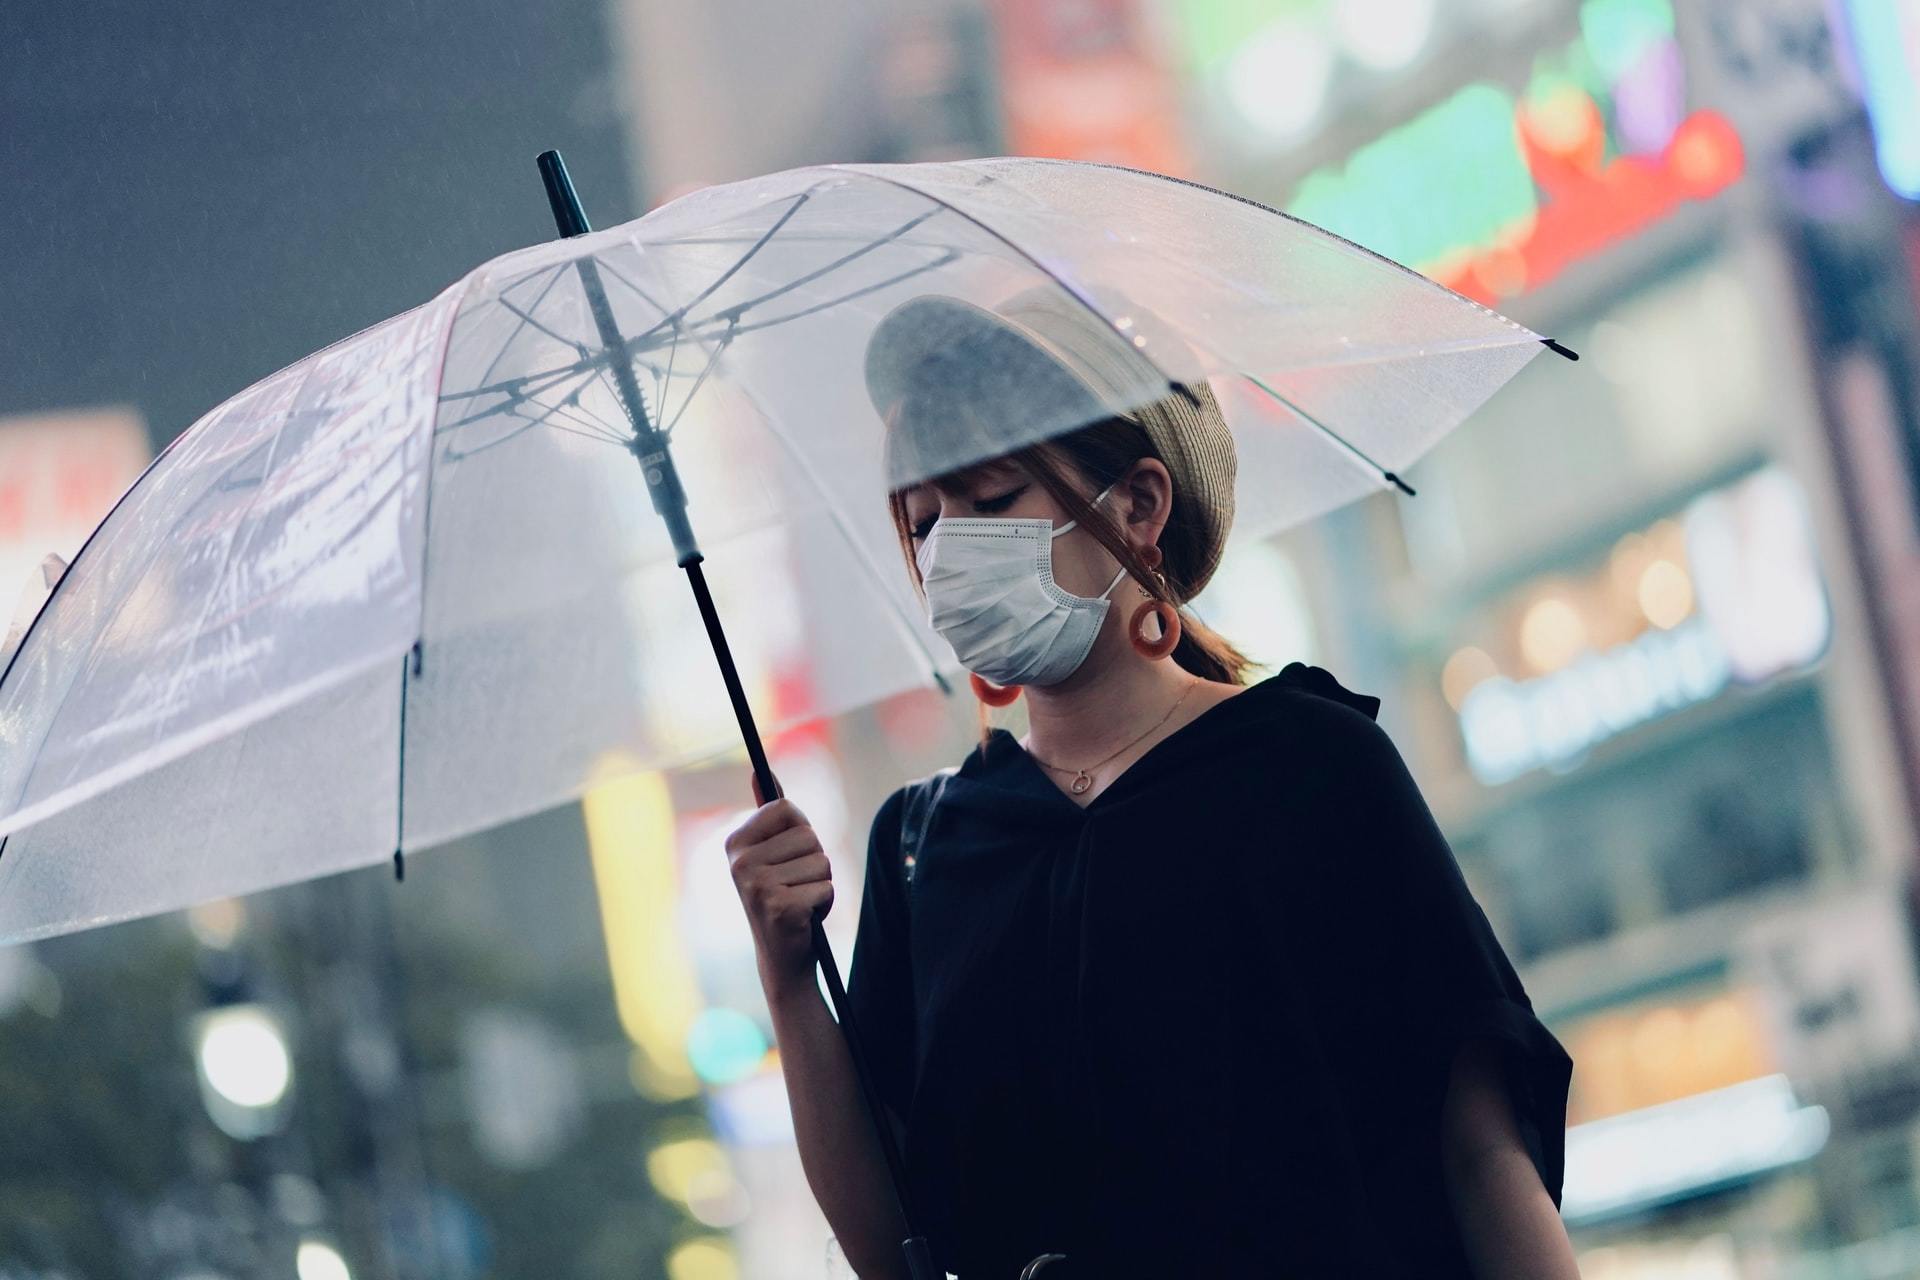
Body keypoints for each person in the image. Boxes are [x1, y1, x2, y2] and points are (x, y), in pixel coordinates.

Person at [724, 286, 1578, 1279]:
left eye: (994, 499)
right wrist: (787, 973)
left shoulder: (1312, 768)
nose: (950, 548)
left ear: (1137, 504)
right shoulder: (924, 849)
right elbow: (888, 1243)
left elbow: (1478, 1148)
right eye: (922, 523)